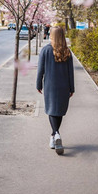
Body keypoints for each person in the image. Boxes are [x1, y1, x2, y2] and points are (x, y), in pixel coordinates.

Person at [36, 27, 75, 155]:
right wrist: (71, 88)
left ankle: (56, 134)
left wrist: (38, 85)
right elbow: (71, 72)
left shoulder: (46, 50)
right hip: (64, 86)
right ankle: (53, 136)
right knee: (59, 111)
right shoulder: (67, 51)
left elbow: (40, 70)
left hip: (50, 86)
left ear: (51, 35)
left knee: (52, 110)